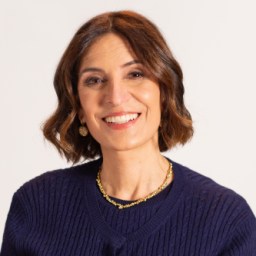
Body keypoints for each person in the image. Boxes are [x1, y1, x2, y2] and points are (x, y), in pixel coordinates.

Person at [1, 10, 256, 256]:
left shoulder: (226, 220)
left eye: (135, 74)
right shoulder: (36, 205)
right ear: (78, 105)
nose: (115, 97)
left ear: (164, 92)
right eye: (95, 80)